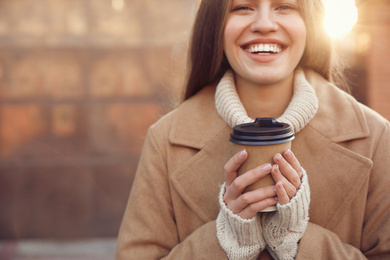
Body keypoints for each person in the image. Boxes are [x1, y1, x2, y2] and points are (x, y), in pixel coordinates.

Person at [115, 0, 390, 259]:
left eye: (284, 6)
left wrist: (295, 240)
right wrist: (226, 239)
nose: (264, 23)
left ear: (310, 24)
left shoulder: (376, 138)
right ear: (216, 25)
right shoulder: (165, 139)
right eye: (243, 7)